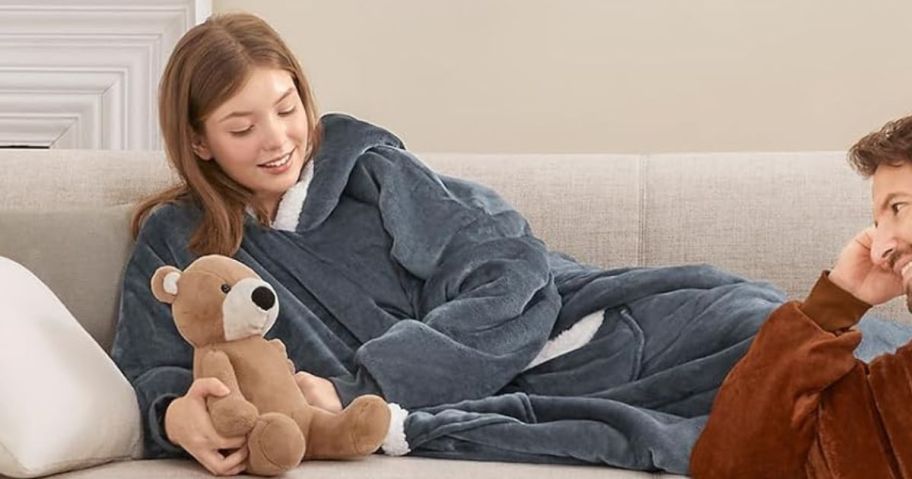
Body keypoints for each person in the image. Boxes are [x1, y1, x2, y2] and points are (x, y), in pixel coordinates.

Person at [111, 12, 847, 477]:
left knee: (762, 327)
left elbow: (509, 271)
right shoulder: (178, 241)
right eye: (242, 128)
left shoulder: (368, 169)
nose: (278, 140)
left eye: (287, 106)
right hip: (514, 397)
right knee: (777, 407)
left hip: (575, 331)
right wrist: (174, 414)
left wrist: (372, 384)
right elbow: (149, 368)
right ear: (200, 141)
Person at [690, 115, 912, 478]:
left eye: (898, 208)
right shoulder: (891, 395)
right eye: (876, 224)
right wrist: (835, 304)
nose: (879, 250)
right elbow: (730, 469)